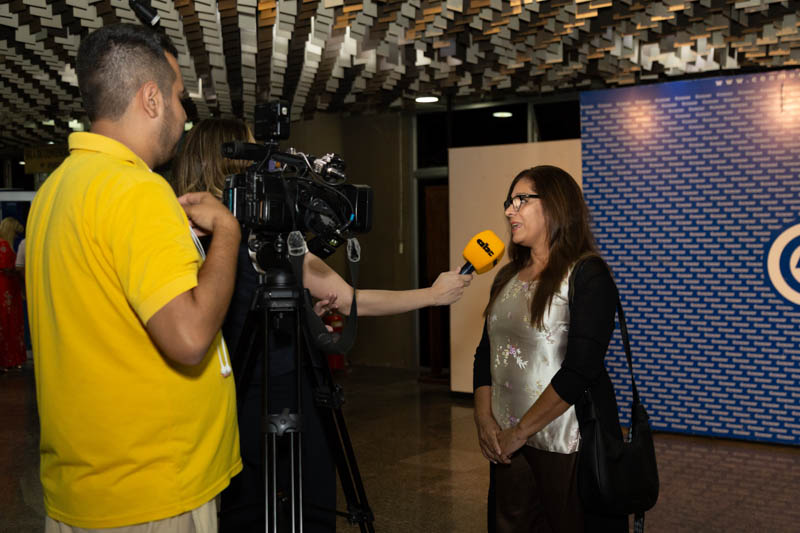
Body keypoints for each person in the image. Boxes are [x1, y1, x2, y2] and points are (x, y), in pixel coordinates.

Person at [171, 117, 474, 532]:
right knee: (306, 499)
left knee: (242, 505)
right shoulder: (244, 239)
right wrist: (432, 295)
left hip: (227, 393)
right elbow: (352, 301)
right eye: (256, 150)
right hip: (275, 387)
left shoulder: (185, 237)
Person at [25, 24, 242, 532]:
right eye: (178, 98)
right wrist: (227, 233)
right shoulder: (137, 191)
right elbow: (189, 338)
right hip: (153, 494)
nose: (185, 114)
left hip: (83, 491)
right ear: (150, 99)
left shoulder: (56, 191)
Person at [472, 166, 628, 532]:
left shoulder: (587, 274)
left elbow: (581, 369)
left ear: (556, 205)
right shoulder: (505, 276)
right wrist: (484, 420)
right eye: (508, 203)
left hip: (568, 442)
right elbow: (485, 355)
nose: (510, 211)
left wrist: (521, 430)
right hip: (507, 444)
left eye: (520, 200)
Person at [0, 217, 25, 371]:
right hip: (6, 289)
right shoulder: (3, 246)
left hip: (10, 289)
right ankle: (9, 359)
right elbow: (7, 268)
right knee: (8, 323)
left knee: (9, 323)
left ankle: (11, 360)